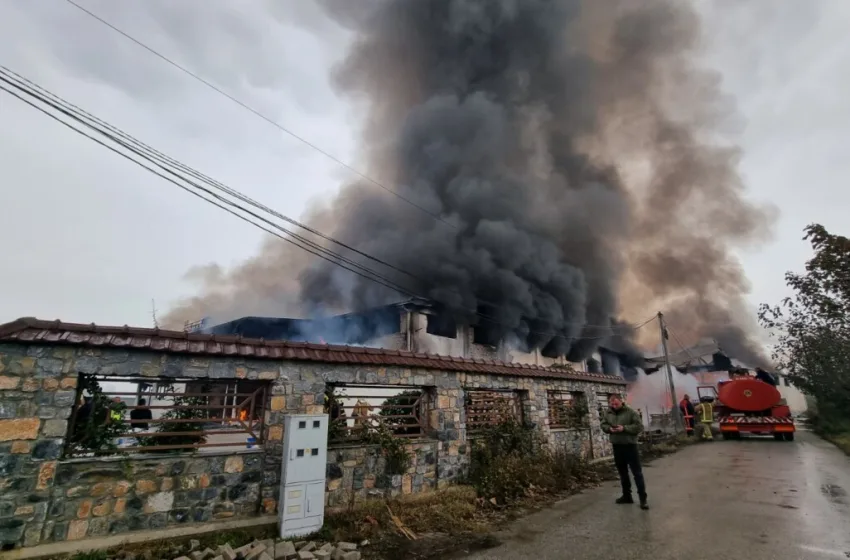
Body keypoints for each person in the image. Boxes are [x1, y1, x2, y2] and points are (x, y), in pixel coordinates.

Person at [601, 394, 648, 510]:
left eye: (616, 404)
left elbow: (639, 427)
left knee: (637, 473)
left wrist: (624, 428)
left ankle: (643, 499)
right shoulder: (608, 413)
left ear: (621, 402)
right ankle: (627, 496)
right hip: (617, 446)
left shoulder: (630, 412)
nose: (614, 406)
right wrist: (609, 429)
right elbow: (603, 424)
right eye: (612, 404)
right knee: (622, 473)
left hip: (630, 446)